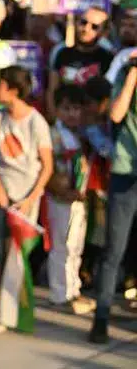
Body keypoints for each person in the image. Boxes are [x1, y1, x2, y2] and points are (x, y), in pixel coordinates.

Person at [0, 66, 53, 328]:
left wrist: (31, 199)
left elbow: (47, 166)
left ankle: (16, 309)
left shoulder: (37, 122)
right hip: (1, 196)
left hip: (25, 200)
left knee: (17, 256)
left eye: (0, 84)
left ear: (12, 89)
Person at [89, 57, 137, 344]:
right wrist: (132, 78)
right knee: (113, 250)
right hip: (126, 172)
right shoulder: (126, 71)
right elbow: (116, 115)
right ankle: (101, 317)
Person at [45, 85, 95, 314]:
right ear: (56, 110)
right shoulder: (53, 135)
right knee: (61, 246)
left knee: (76, 245)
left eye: (77, 108)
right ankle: (59, 293)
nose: (72, 114)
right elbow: (49, 170)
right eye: (66, 108)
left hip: (78, 199)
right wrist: (61, 191)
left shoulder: (84, 135)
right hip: (60, 199)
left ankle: (73, 289)